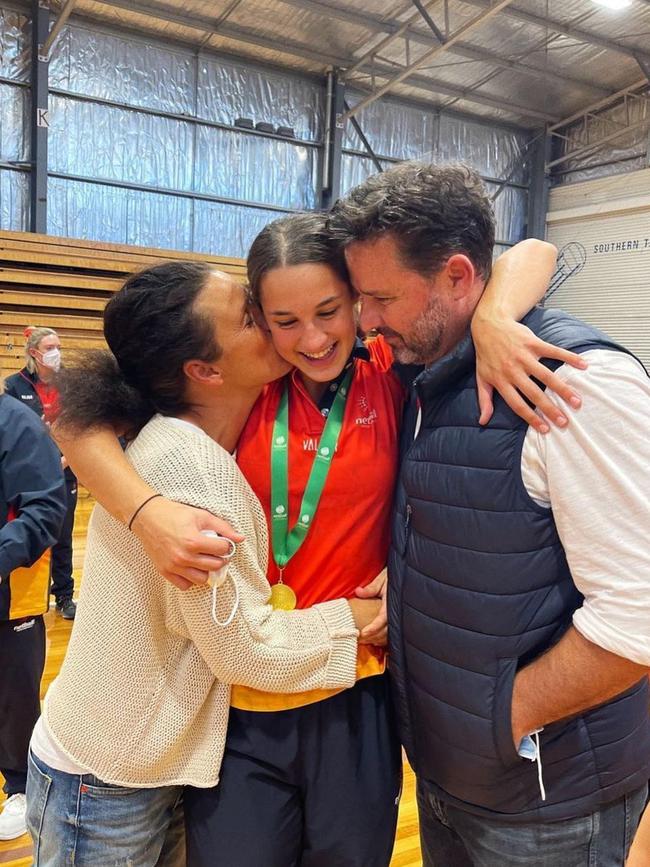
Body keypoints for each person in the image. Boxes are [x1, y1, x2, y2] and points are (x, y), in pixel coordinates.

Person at [55, 217, 581, 866]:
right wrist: (145, 511)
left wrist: (495, 315)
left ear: (358, 300)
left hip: (353, 691)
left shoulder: (389, 366)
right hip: (240, 704)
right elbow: (76, 418)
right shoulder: (242, 382)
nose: (312, 337)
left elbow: (536, 249)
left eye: (330, 310)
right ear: (258, 321)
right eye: (281, 318)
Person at [328, 161, 650, 867]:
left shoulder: (570, 384)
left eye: (379, 297)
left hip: (548, 800)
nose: (366, 320)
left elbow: (637, 619)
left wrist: (502, 720)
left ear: (456, 276)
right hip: (453, 779)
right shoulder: (430, 366)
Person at [26, 262, 380, 867]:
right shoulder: (190, 465)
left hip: (143, 761)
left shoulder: (188, 421)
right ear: (205, 370)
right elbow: (245, 649)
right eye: (250, 317)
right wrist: (366, 620)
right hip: (107, 777)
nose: (272, 324)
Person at [0, 370, 66, 841]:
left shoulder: (16, 423)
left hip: (10, 597)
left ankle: (22, 785)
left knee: (14, 699)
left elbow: (44, 510)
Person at [5, 327, 78, 620]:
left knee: (63, 536)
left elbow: (81, 428)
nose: (56, 352)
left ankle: (64, 594)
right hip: (28, 475)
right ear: (35, 352)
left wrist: (64, 459)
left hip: (65, 470)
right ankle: (22, 597)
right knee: (30, 532)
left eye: (59, 345)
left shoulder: (71, 385)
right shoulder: (13, 384)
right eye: (50, 346)